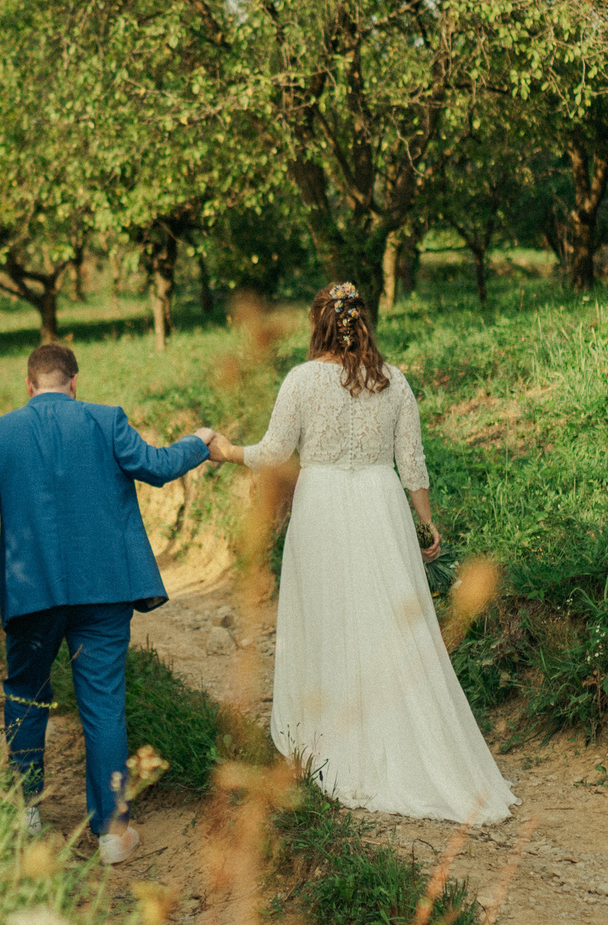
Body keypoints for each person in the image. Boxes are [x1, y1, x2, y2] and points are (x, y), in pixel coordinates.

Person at [198, 282, 515, 824]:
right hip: (380, 503)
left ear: (317, 325)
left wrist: (225, 450)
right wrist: (425, 522)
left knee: (330, 621)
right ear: (364, 323)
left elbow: (275, 452)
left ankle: (332, 739)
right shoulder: (394, 382)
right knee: (390, 623)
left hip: (322, 505)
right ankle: (408, 742)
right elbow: (411, 462)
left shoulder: (300, 380)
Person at [0, 340, 210, 864]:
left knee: (26, 693)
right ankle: (114, 833)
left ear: (29, 386)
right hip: (104, 592)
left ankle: (27, 812)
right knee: (102, 703)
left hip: (32, 594)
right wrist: (200, 441)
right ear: (74, 382)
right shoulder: (105, 420)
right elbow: (158, 466)